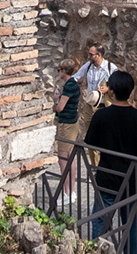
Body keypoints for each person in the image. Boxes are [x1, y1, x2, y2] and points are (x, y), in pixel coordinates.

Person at [82, 70, 137, 254]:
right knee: (131, 225)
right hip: (131, 178)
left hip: (107, 175)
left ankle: (96, 251)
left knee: (100, 222)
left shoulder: (101, 116)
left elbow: (90, 142)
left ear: (111, 92)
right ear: (130, 91)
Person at [52, 59, 84, 187]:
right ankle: (71, 189)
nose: (59, 73)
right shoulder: (73, 84)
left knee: (63, 158)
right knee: (70, 158)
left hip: (66, 124)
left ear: (64, 71)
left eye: (59, 70)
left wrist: (55, 100)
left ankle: (67, 191)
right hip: (72, 122)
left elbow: (60, 107)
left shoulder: (69, 85)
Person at [73, 42, 114, 113]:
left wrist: (108, 89)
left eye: (91, 55)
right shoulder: (88, 65)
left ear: (98, 55)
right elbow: (76, 76)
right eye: (88, 54)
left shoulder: (110, 68)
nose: (88, 57)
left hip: (103, 105)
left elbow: (121, 85)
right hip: (90, 103)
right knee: (87, 123)